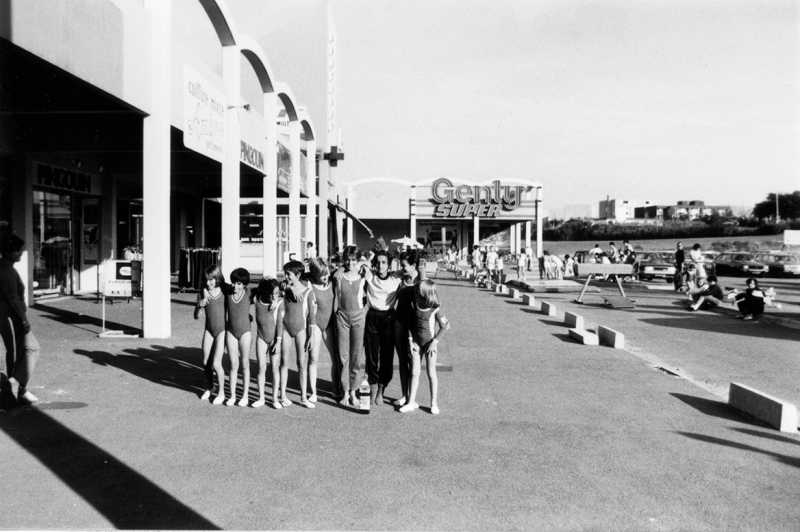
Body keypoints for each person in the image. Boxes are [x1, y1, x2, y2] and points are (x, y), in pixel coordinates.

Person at [0, 234, 41, 407]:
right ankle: (12, 391)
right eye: (17, 251)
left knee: (31, 347)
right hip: (10, 316)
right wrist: (24, 319)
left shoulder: (7, 267)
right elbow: (12, 297)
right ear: (7, 252)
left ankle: (18, 386)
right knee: (16, 353)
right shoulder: (6, 270)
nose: (21, 254)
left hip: (12, 315)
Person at [399, 279, 450, 415]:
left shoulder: (435, 308)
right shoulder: (414, 305)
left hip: (429, 345)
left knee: (431, 373)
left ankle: (433, 403)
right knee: (414, 373)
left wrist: (434, 342)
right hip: (416, 343)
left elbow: (445, 327)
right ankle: (411, 402)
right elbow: (410, 324)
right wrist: (410, 341)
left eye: (418, 293)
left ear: (426, 294)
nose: (415, 294)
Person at [362, 250, 405, 406]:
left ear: (389, 264)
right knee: (371, 356)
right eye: (378, 262)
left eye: (384, 262)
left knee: (386, 357)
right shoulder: (369, 275)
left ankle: (381, 389)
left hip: (388, 318)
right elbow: (353, 264)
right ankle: (373, 388)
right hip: (372, 317)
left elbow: (416, 271)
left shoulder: (395, 278)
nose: (381, 265)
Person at [334, 245, 368, 406]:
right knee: (343, 356)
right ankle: (345, 392)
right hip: (342, 317)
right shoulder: (339, 276)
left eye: (353, 259)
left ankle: (354, 392)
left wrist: (364, 313)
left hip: (358, 317)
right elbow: (336, 297)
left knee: (356, 357)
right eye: (347, 259)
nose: (350, 262)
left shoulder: (363, 276)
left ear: (358, 260)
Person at [281, 260, 316, 408]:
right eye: (286, 274)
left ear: (298, 274)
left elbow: (311, 317)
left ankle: (303, 397)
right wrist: (290, 287)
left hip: (301, 329)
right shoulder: (284, 287)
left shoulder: (308, 291)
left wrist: (312, 336)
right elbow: (280, 285)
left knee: (301, 364)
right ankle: (282, 396)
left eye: (289, 275)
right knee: (284, 362)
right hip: (285, 329)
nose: (286, 277)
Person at [393, 250, 425, 407]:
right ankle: (404, 396)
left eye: (404, 265)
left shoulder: (421, 282)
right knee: (402, 360)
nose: (402, 267)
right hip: (400, 323)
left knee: (414, 362)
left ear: (413, 265)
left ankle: (412, 399)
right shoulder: (402, 278)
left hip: (414, 328)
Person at [193, 264, 227, 404]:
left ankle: (222, 393)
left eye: (211, 279)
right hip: (209, 330)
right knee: (205, 362)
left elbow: (240, 290)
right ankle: (210, 387)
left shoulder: (225, 290)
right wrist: (200, 306)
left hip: (222, 331)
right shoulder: (202, 293)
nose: (208, 283)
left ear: (217, 278)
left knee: (216, 363)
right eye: (206, 280)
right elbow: (196, 316)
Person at [308, 258, 340, 401]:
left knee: (336, 358)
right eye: (322, 275)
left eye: (326, 273)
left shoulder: (332, 282)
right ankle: (313, 392)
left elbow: (342, 270)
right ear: (315, 275)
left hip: (330, 325)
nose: (325, 277)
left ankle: (336, 388)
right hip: (315, 326)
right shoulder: (309, 284)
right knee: (313, 359)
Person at [252, 277, 284, 409]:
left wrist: (278, 341)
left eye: (276, 293)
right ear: (265, 291)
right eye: (271, 293)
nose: (274, 296)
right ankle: (261, 398)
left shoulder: (279, 302)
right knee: (261, 368)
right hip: (261, 337)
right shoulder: (256, 299)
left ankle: (275, 398)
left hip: (275, 339)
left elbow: (280, 325)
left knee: (275, 368)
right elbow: (247, 291)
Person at [224, 267, 253, 406]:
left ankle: (245, 396)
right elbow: (212, 282)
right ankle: (233, 396)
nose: (235, 286)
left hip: (245, 332)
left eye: (239, 283)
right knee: (233, 364)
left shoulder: (249, 293)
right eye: (234, 282)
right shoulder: (228, 292)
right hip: (231, 332)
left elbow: (268, 288)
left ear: (245, 284)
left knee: (245, 364)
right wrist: (205, 292)